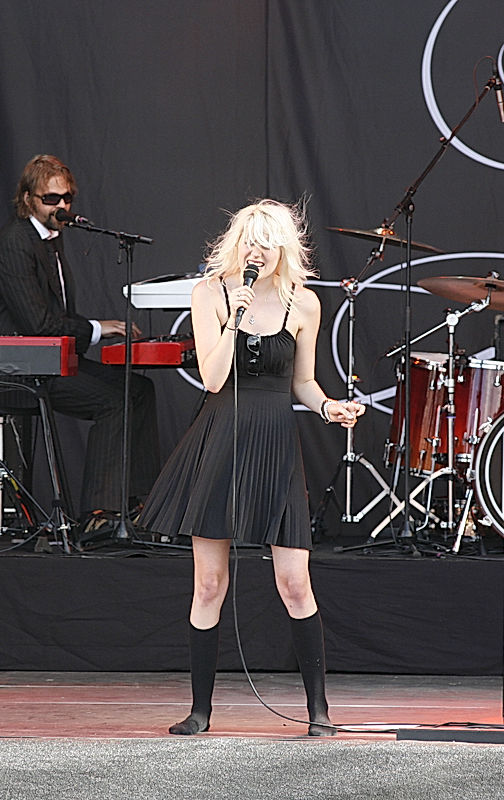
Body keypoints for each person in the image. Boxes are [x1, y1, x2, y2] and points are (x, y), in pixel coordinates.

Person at [138, 199, 364, 737]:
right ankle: (200, 710)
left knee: (294, 581)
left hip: (275, 441)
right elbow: (213, 378)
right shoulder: (211, 294)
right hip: (221, 438)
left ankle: (318, 710)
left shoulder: (303, 303)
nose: (255, 251)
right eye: (248, 241)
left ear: (283, 248)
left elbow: (302, 382)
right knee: (209, 582)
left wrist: (329, 408)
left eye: (266, 242)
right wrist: (234, 320)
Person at [0, 154, 159, 515]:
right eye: (51, 199)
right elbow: (38, 326)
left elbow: (55, 318)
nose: (61, 207)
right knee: (114, 401)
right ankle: (100, 514)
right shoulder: (16, 243)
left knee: (139, 390)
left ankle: (138, 505)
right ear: (28, 199)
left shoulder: (50, 239)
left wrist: (99, 328)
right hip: (16, 369)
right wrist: (96, 329)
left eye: (67, 198)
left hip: (48, 360)